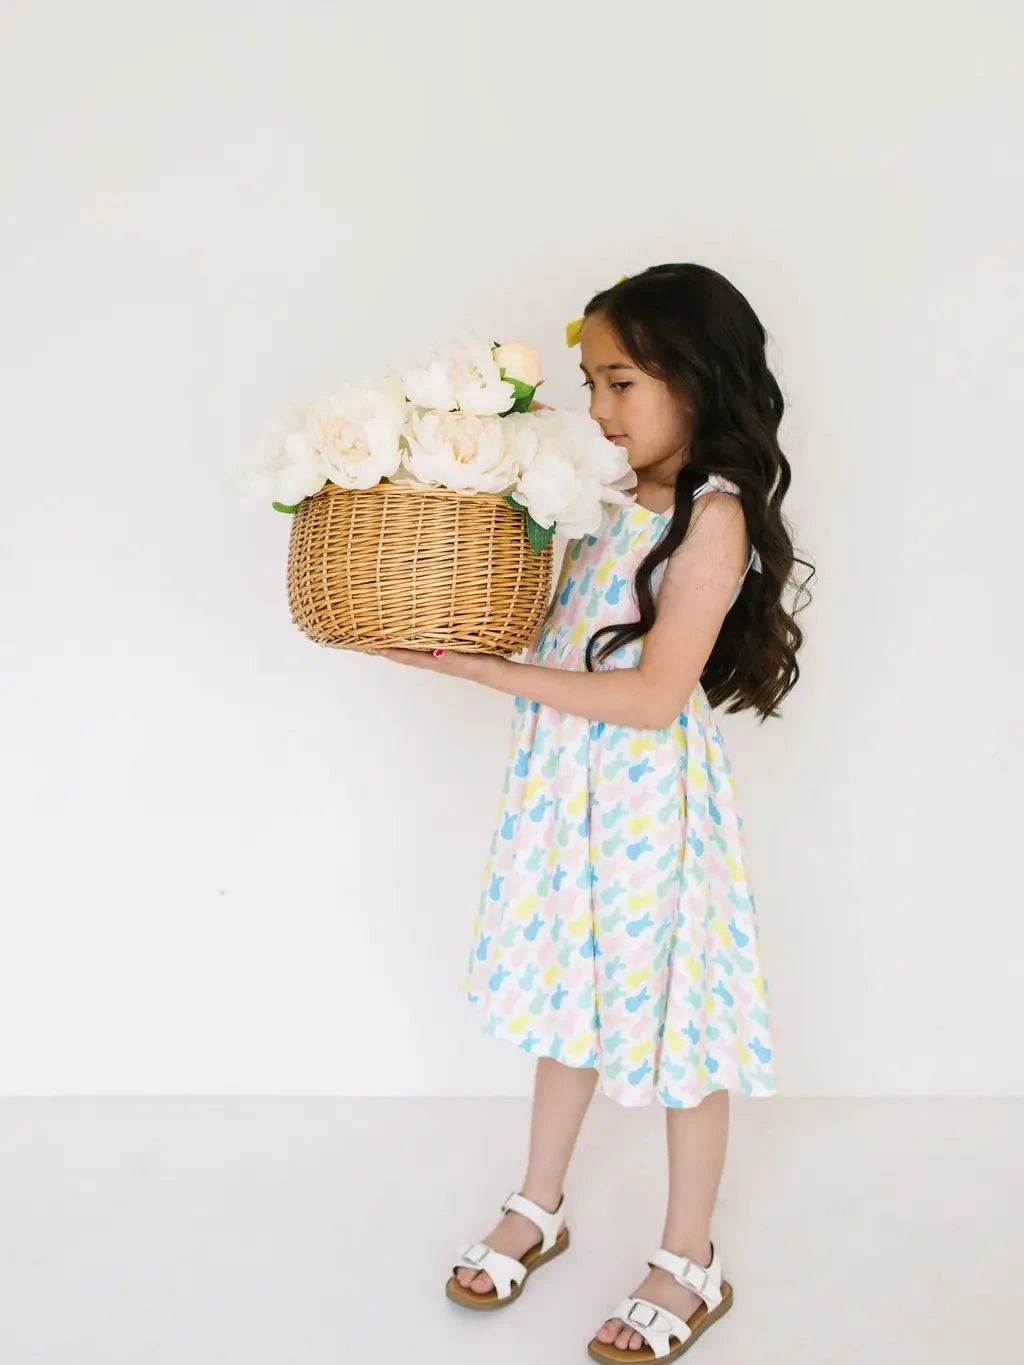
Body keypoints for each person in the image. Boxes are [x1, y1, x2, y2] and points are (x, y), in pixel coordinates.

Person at [380, 263, 811, 1361]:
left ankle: (689, 1255)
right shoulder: (605, 502)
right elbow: (553, 621)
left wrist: (486, 675)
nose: (601, 409)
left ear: (696, 381)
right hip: (565, 794)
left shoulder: (713, 519)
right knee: (566, 992)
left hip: (647, 808)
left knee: (679, 1023)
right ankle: (540, 1200)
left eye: (623, 383)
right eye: (591, 384)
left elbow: (653, 695)